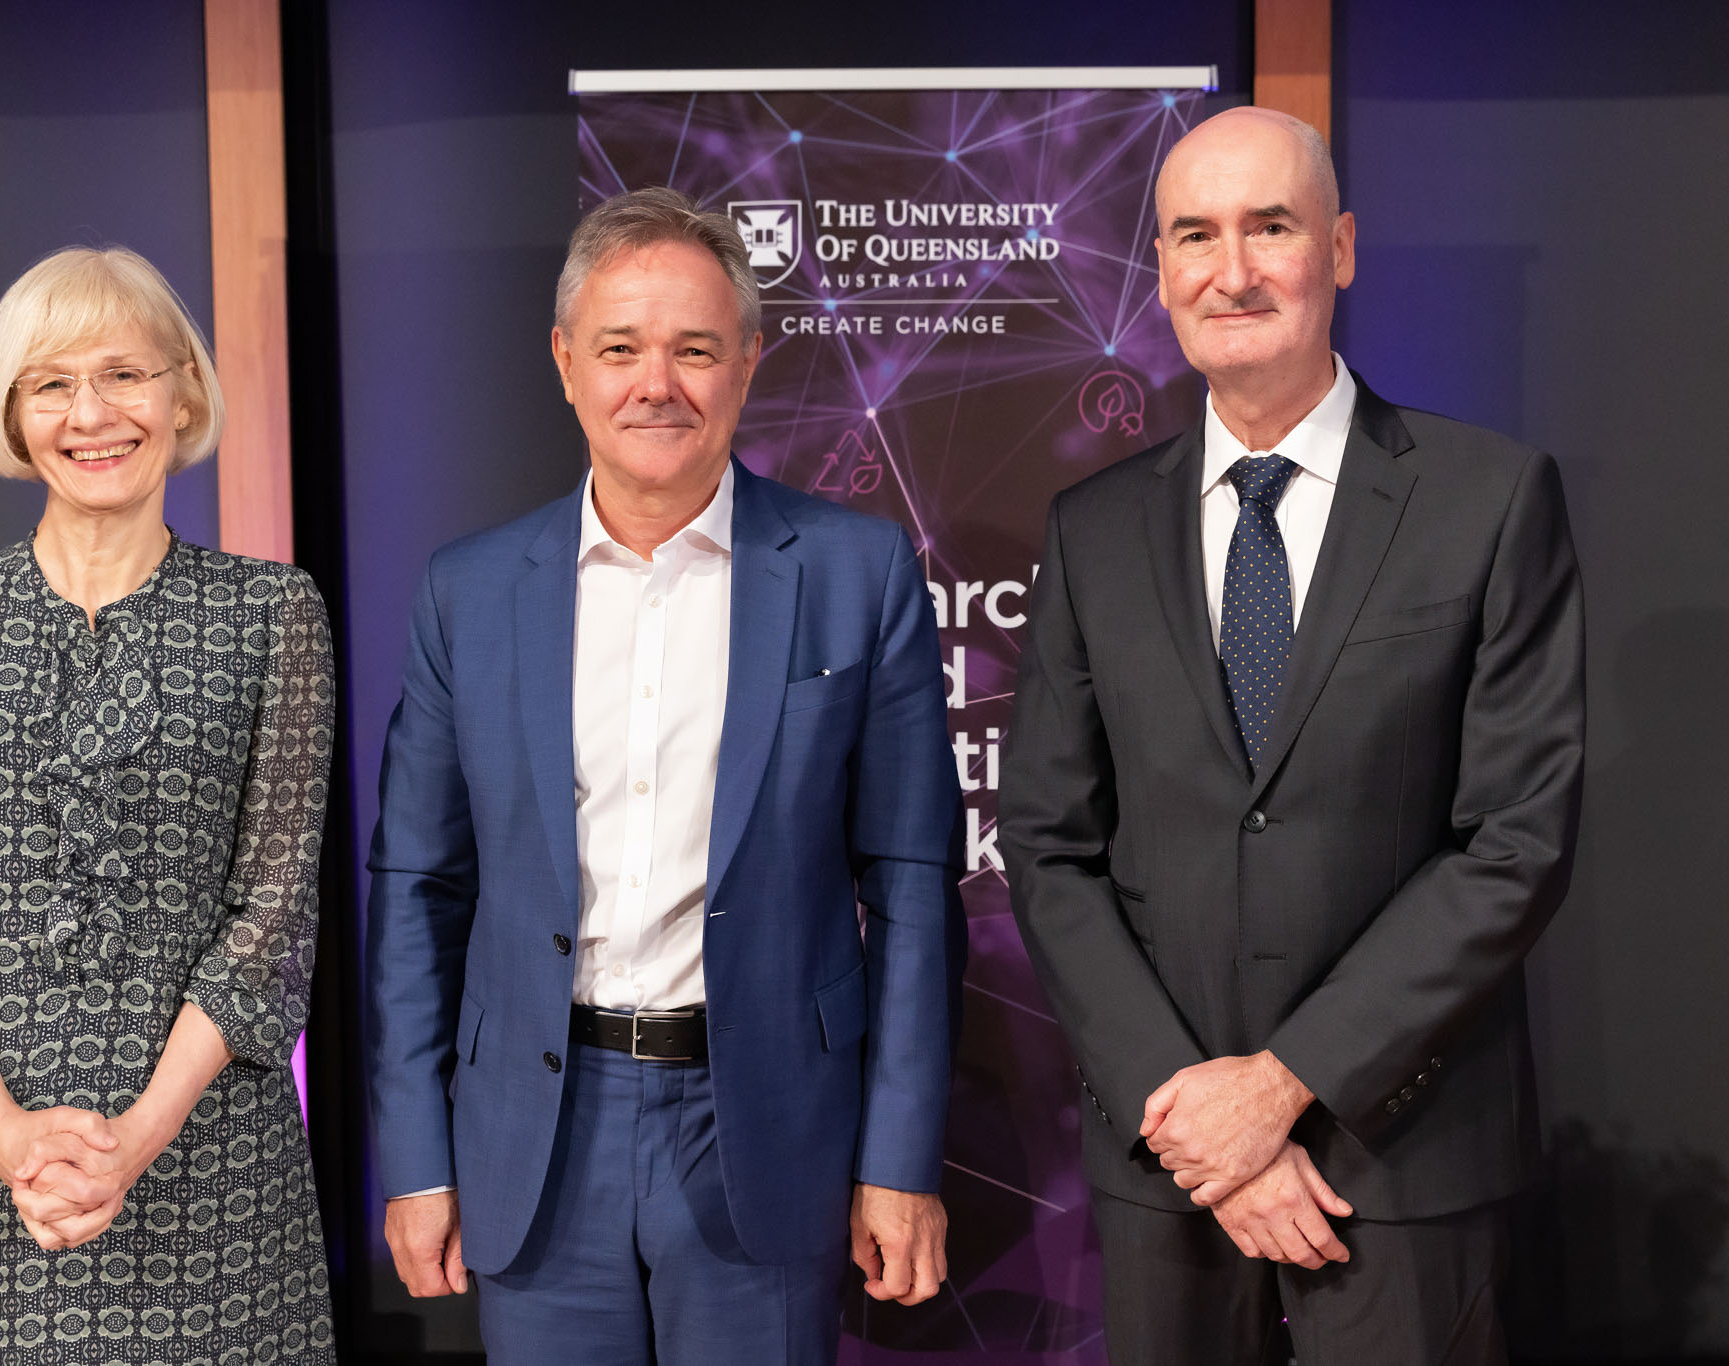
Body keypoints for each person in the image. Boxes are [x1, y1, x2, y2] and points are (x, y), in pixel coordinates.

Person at [1000, 107, 1585, 1364]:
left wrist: (1284, 1085)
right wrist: (1193, 1113)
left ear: (1342, 247)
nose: (1232, 269)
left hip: (1401, 1157)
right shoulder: (1090, 529)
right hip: (1171, 1174)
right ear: (1156, 269)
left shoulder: (1486, 500)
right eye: (1193, 235)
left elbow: (1514, 840)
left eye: (1270, 226)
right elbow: (1049, 846)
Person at [364, 187, 965, 1364]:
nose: (657, 383)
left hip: (767, 1125)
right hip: (538, 1133)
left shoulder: (856, 571)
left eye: (694, 349)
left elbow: (909, 885)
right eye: (620, 348)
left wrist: (898, 1159)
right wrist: (417, 1156)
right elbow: (414, 892)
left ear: (747, 360)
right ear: (564, 363)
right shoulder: (467, 591)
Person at [0, 246, 336, 1362]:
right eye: (51, 382)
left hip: (207, 1173)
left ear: (184, 394)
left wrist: (130, 1142)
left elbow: (272, 920)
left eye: (124, 373)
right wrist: (14, 1141)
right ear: (14, 417)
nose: (92, 412)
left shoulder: (271, 616)